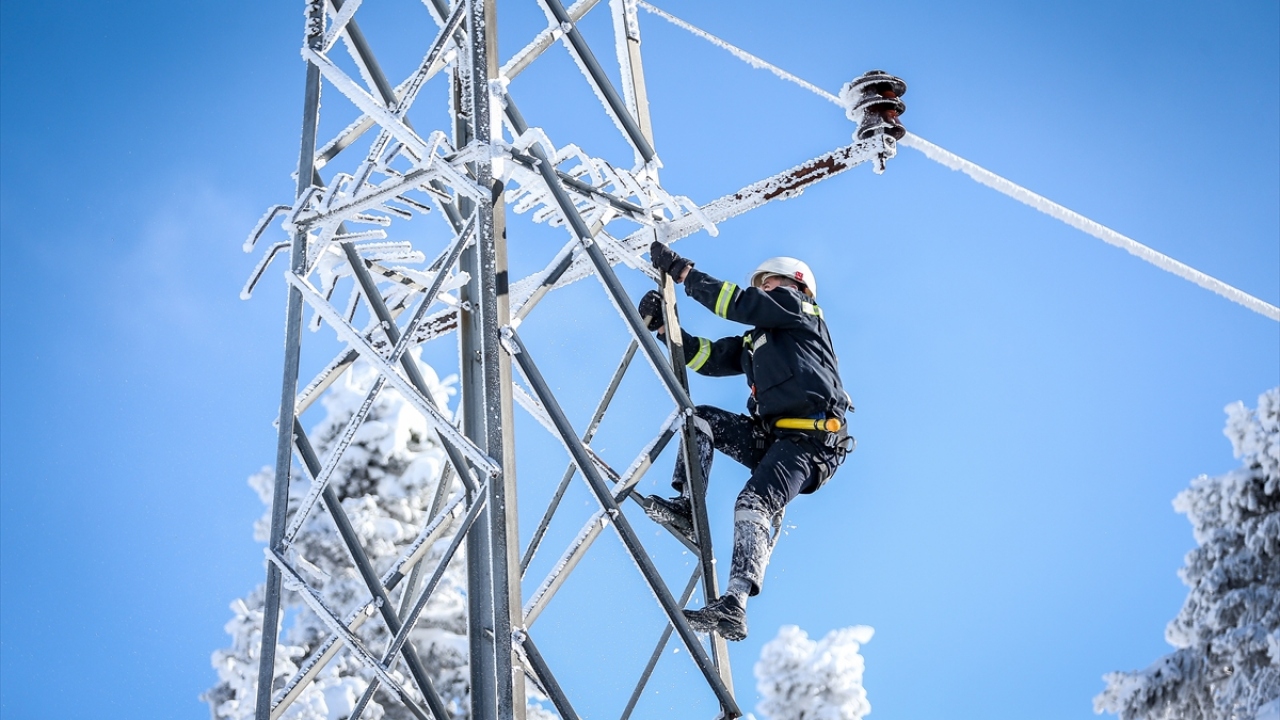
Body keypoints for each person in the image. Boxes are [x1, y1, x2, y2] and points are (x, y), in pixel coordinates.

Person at [637, 240, 854, 641]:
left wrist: (684, 273)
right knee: (700, 419)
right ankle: (687, 506)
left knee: (754, 501)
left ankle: (734, 606)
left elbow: (739, 304)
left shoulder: (801, 311)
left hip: (810, 442)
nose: (765, 291)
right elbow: (708, 358)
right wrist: (665, 329)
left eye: (769, 285)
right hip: (772, 438)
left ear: (798, 286)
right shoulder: (759, 340)